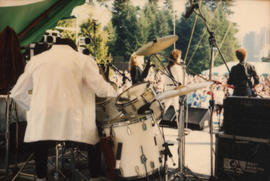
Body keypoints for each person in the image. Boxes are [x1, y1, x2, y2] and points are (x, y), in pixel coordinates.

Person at [10, 38, 117, 181]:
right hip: (74, 121)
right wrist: (115, 92)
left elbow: (16, 93)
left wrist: (34, 106)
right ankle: (94, 176)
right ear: (74, 48)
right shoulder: (83, 60)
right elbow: (102, 90)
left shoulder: (35, 60)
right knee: (94, 139)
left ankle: (41, 176)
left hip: (44, 122)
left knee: (40, 140)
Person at [162, 49, 185, 125]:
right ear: (176, 58)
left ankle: (155, 123)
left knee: (164, 108)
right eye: (179, 57)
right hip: (174, 89)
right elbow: (181, 80)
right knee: (177, 109)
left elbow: (164, 80)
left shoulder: (167, 67)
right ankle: (179, 128)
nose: (180, 59)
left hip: (168, 89)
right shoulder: (178, 68)